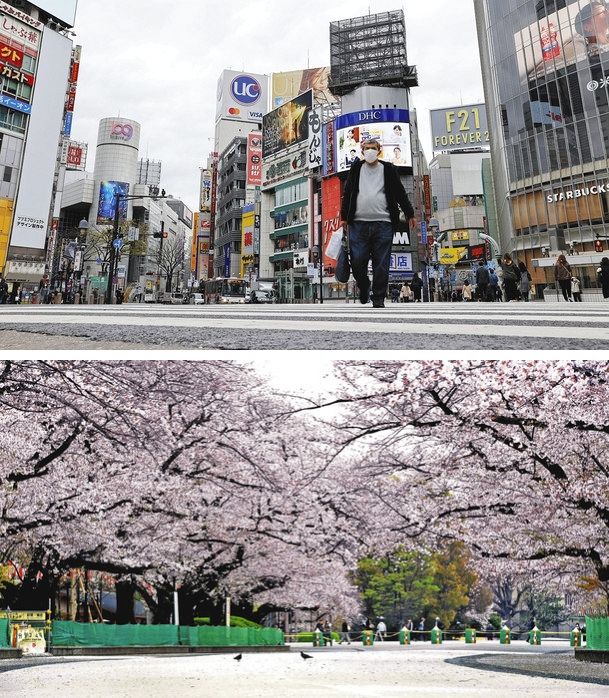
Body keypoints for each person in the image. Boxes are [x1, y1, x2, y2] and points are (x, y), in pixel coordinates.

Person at [341, 138, 416, 309]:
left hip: (384, 223)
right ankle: (364, 284)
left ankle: (378, 298)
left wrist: (410, 214)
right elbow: (348, 192)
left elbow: (399, 192)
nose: (370, 151)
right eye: (367, 148)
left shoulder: (388, 169)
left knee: (381, 262)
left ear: (379, 150)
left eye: (373, 148)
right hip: (358, 223)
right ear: (362, 151)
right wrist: (344, 217)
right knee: (357, 260)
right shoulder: (356, 168)